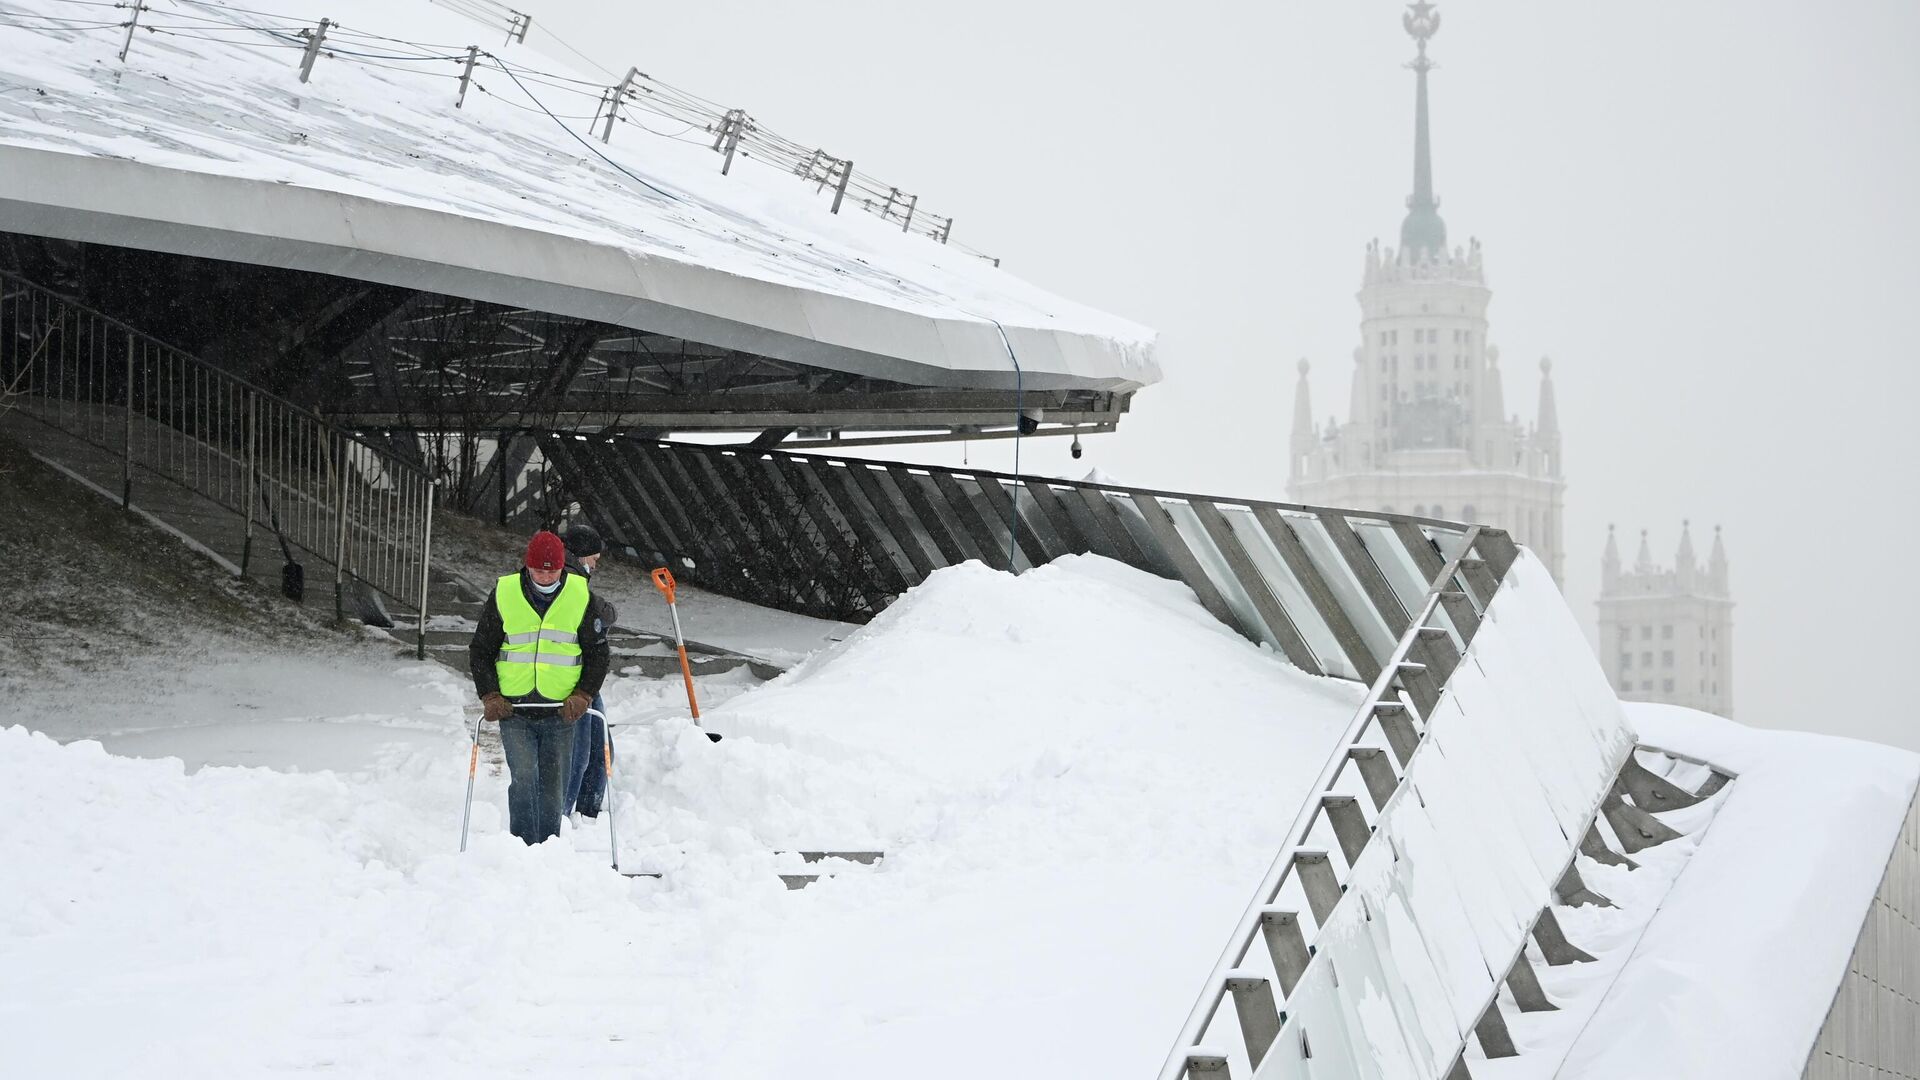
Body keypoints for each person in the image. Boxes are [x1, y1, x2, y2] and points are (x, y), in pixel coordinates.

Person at [469, 530, 610, 845]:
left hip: (560, 711)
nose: (545, 576)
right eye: (538, 569)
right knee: (524, 777)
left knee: (553, 784)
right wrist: (490, 695)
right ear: (526, 565)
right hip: (514, 709)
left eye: (552, 569)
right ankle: (521, 847)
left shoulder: (580, 595)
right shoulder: (505, 593)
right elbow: (481, 650)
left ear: (563, 566)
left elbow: (598, 654)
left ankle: (548, 849)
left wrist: (583, 694)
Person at [561, 523, 616, 818]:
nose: (596, 563)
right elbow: (603, 613)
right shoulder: (570, 581)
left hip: (583, 678)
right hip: (573, 679)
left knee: (597, 749)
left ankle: (582, 813)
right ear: (581, 555)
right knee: (582, 755)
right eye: (594, 557)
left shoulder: (572, 577)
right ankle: (566, 815)